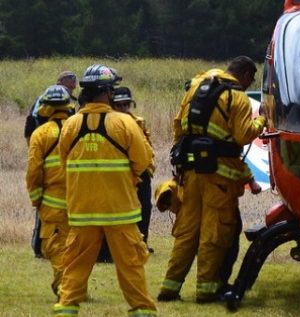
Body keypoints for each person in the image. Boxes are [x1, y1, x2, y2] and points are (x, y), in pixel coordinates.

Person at [158, 56, 267, 303]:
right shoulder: (236, 97)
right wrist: (262, 121)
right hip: (218, 177)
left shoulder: (197, 86)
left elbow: (178, 125)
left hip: (190, 171)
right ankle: (206, 290)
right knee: (214, 233)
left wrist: (180, 159)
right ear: (247, 76)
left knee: (187, 232)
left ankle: (169, 288)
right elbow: (243, 136)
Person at [53, 64, 157, 316]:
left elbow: (64, 162)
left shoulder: (70, 125)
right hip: (119, 211)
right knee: (131, 265)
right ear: (108, 92)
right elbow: (143, 162)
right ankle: (142, 310)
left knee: (75, 266)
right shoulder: (123, 123)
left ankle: (66, 309)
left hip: (82, 211)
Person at [26, 85, 73, 297]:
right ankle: (73, 286)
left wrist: (36, 199)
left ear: (45, 108)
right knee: (76, 246)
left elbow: (34, 172)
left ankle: (66, 288)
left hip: (54, 204)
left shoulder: (40, 134)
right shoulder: (78, 128)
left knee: (54, 246)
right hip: (81, 201)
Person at [112, 86, 156, 251]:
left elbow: (147, 146)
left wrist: (149, 167)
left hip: (142, 172)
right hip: (120, 174)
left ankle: (142, 243)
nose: (123, 108)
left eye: (126, 104)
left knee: (144, 207)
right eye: (119, 105)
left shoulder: (139, 122)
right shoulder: (111, 124)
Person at [25, 70, 78, 143]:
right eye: (69, 88)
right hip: (44, 138)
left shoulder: (69, 101)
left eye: (72, 89)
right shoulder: (44, 99)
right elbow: (32, 121)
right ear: (60, 83)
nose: (70, 91)